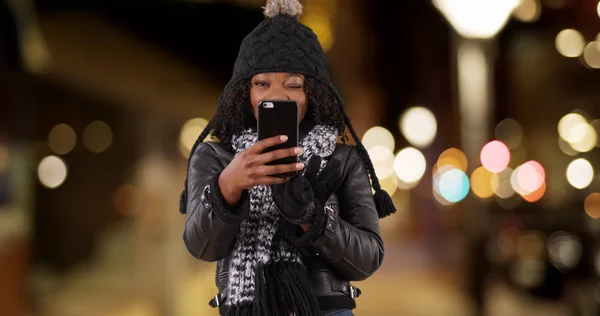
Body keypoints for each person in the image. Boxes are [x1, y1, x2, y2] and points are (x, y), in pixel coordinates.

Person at [179, 0, 396, 315]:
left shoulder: (343, 159)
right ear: (244, 92)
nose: (276, 95)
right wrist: (228, 186)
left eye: (293, 85)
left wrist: (312, 217)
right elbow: (201, 246)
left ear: (314, 93)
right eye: (261, 83)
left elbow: (368, 259)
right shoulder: (215, 155)